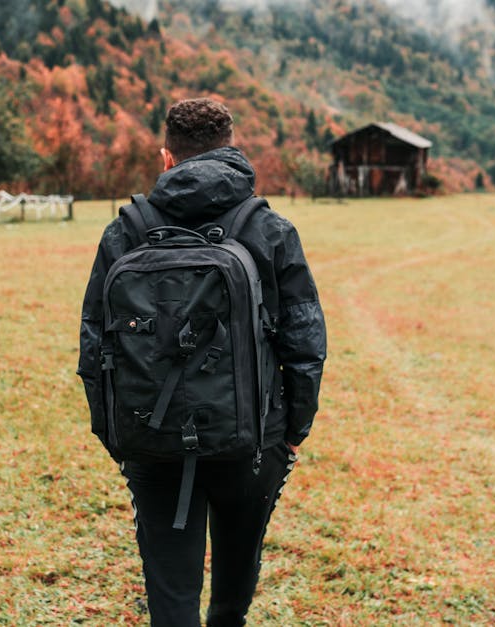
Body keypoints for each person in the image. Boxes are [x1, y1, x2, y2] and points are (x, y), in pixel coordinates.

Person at [77, 98, 326, 626]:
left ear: (167, 158)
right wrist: (293, 430)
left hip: (152, 438)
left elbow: (93, 346)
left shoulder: (125, 231)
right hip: (255, 440)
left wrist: (117, 436)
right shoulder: (270, 229)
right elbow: (304, 343)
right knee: (235, 577)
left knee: (169, 594)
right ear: (232, 151)